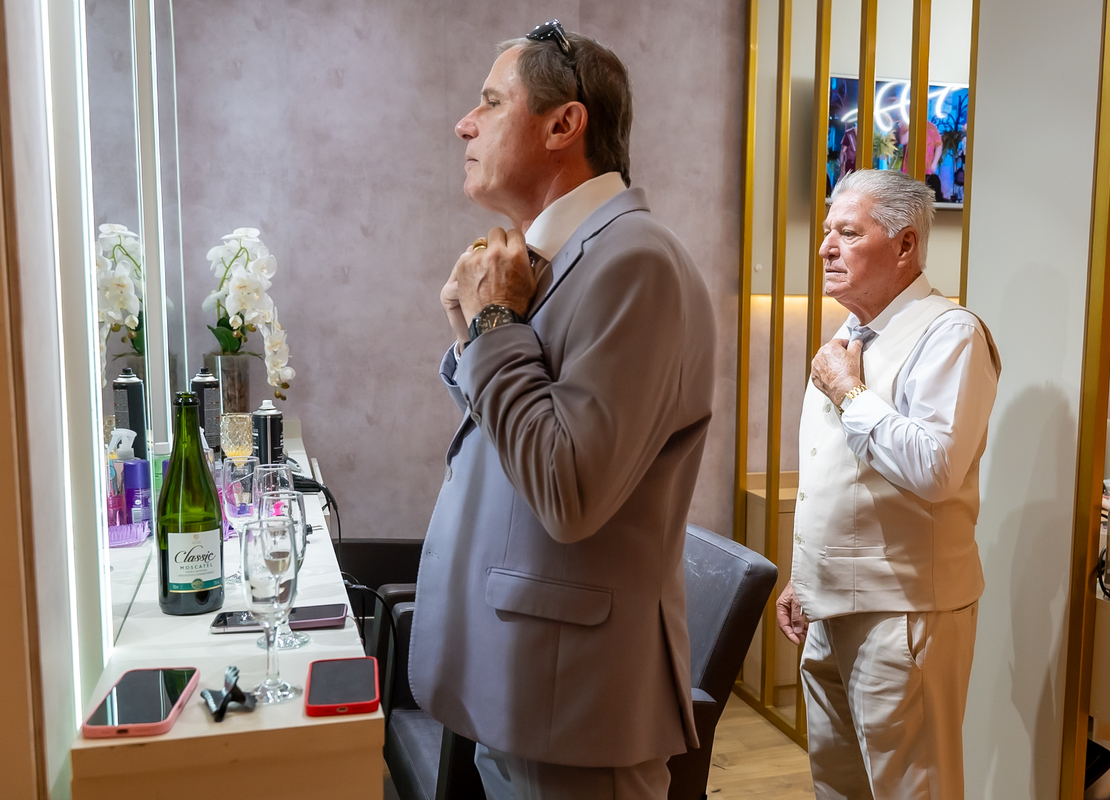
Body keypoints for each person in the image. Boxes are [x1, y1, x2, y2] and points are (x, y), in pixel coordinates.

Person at [408, 20, 716, 800]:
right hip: (522, 683)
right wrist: (474, 332)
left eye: (489, 102)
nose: (464, 124)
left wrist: (493, 327)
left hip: (574, 703)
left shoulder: (636, 262)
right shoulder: (556, 260)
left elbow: (567, 489)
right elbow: (519, 437)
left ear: (562, 125)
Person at [776, 169, 1001, 799]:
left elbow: (934, 469)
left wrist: (850, 393)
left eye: (848, 233)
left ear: (905, 245)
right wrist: (804, 575)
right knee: (837, 785)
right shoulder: (851, 333)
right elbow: (836, 477)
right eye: (828, 231)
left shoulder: (951, 333)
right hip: (831, 608)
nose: (826, 247)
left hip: (903, 617)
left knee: (912, 789)